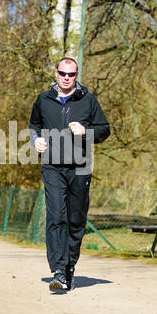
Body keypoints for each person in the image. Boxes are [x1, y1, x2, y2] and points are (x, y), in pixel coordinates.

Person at [29, 57, 110, 291]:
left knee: (75, 220)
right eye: (62, 73)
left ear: (77, 76)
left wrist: (86, 131)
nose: (66, 78)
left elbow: (105, 130)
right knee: (56, 217)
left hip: (80, 167)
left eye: (71, 74)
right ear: (55, 73)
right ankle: (58, 270)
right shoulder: (43, 100)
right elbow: (34, 125)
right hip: (52, 165)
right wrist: (36, 140)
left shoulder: (88, 100)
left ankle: (69, 266)